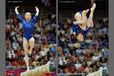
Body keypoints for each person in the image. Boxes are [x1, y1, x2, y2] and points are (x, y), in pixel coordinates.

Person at [15, 6, 39, 70]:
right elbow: (19, 15)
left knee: (32, 40)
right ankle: (28, 67)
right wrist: (16, 10)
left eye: (29, 15)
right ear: (25, 16)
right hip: (25, 38)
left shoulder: (33, 21)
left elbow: (36, 15)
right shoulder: (23, 21)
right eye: (27, 15)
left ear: (31, 17)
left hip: (30, 36)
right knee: (26, 53)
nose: (28, 16)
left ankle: (30, 49)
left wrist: (37, 11)